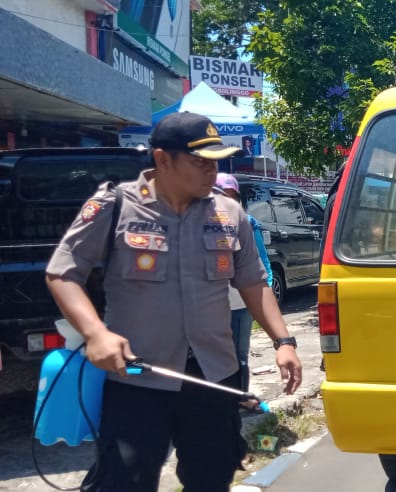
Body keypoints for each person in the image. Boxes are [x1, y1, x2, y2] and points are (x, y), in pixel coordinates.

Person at [45, 112, 303, 491]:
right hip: (139, 377)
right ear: (163, 159)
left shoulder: (229, 213)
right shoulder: (116, 206)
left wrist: (284, 342)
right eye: (200, 162)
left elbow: (252, 281)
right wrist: (95, 333)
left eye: (216, 162)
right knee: (125, 479)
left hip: (214, 374)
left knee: (212, 476)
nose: (211, 171)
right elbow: (62, 272)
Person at [215, 172, 275, 401]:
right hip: (213, 304)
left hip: (242, 302)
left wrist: (266, 298)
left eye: (232, 196)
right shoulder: (197, 223)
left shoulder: (247, 223)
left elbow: (262, 262)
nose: (228, 201)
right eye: (222, 195)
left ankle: (240, 398)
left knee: (239, 354)